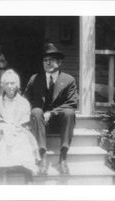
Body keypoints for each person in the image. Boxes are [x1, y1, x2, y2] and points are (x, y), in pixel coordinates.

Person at [24, 43, 78, 175]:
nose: (47, 63)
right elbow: (25, 101)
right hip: (39, 123)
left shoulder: (69, 80)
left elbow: (72, 103)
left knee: (69, 112)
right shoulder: (35, 79)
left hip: (59, 123)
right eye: (45, 60)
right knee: (36, 111)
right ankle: (42, 157)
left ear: (59, 62)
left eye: (51, 60)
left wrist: (52, 113)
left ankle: (63, 158)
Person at [0, 69, 40, 184]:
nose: (10, 86)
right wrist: (2, 127)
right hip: (2, 132)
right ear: (2, 85)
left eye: (13, 83)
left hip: (19, 131)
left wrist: (18, 127)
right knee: (5, 140)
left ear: (17, 85)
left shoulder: (24, 102)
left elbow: (26, 121)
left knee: (23, 140)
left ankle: (27, 174)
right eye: (7, 84)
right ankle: (4, 175)